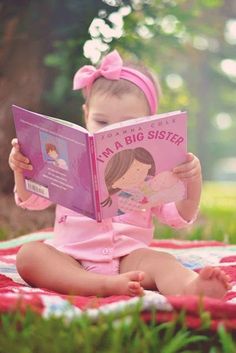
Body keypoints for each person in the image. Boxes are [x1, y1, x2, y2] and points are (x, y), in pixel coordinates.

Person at [9, 50, 231, 298]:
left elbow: (180, 216)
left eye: (126, 124)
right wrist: (22, 169)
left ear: (149, 122)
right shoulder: (68, 159)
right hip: (70, 257)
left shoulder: (152, 169)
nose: (112, 131)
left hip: (131, 260)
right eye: (101, 122)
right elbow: (32, 199)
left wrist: (193, 181)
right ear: (86, 114)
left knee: (163, 262)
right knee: (30, 256)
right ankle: (96, 285)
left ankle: (192, 288)